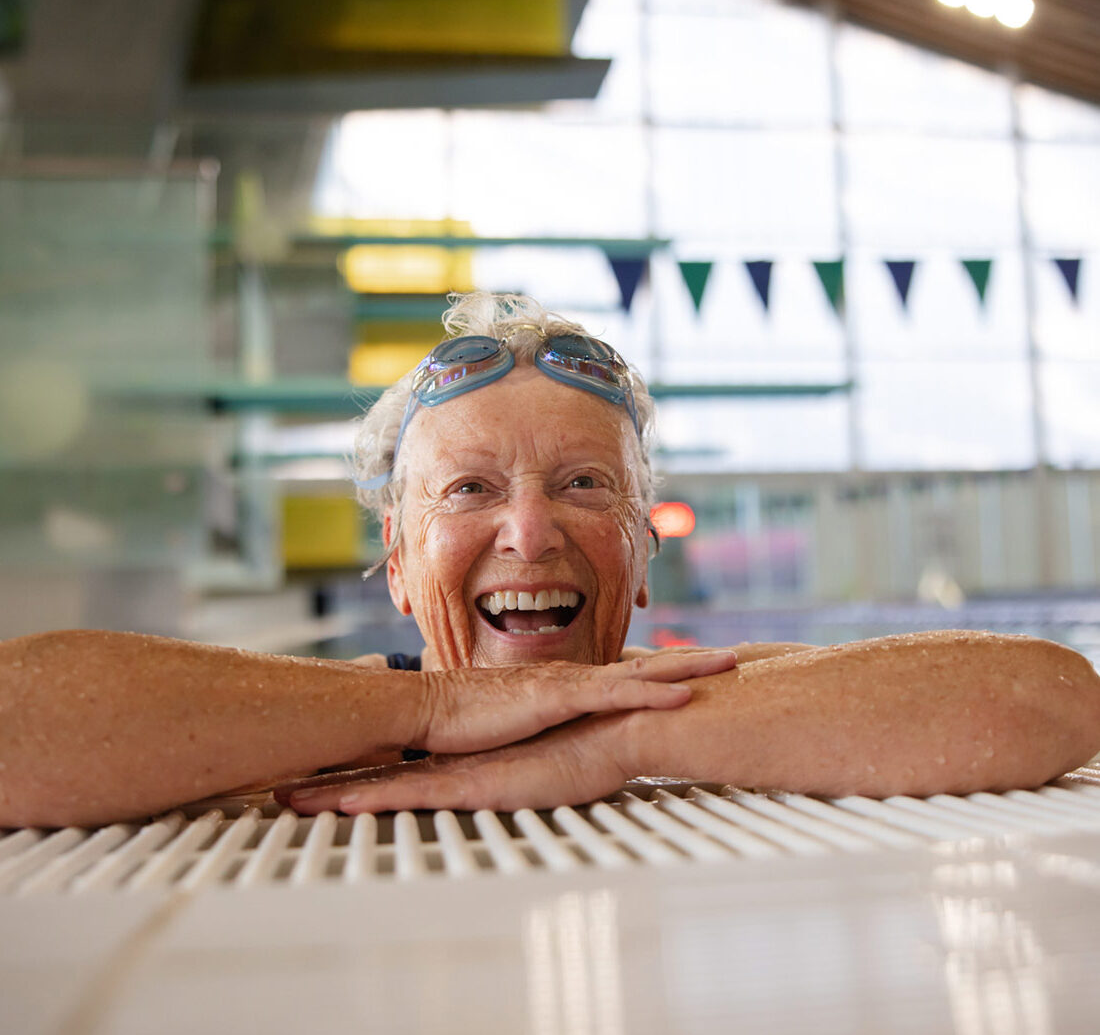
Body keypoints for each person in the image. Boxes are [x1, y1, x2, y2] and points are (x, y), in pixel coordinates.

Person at [1, 293, 1098, 829]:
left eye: (583, 485)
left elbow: (1042, 692)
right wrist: (430, 709)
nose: (529, 534)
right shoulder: (277, 720)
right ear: (393, 557)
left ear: (640, 546)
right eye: (470, 489)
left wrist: (613, 739)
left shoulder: (726, 705)